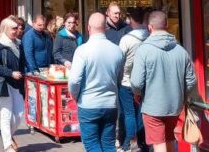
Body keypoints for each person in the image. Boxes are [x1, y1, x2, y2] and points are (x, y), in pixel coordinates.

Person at [130, 10, 196, 152]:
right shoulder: (181, 50)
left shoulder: (144, 50)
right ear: (167, 25)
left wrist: (137, 93)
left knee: (159, 144)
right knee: (170, 138)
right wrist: (182, 97)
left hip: (153, 106)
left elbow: (136, 82)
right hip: (175, 106)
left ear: (149, 27)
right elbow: (191, 81)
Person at [68, 13, 124, 152]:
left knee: (92, 145)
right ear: (105, 27)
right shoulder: (117, 51)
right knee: (108, 145)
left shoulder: (82, 51)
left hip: (88, 104)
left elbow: (75, 80)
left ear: (88, 28)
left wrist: (75, 95)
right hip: (110, 104)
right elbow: (119, 78)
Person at [0, 17, 26, 152]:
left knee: (20, 113)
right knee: (6, 114)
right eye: (14, 28)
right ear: (5, 29)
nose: (17, 31)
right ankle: (8, 145)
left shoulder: (18, 44)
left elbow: (22, 64)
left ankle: (9, 136)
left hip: (17, 84)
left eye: (18, 28)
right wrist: (10, 73)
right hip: (3, 84)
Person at [118, 9, 151, 152]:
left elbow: (119, 60)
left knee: (129, 113)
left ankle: (129, 143)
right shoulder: (149, 36)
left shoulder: (126, 39)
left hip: (126, 81)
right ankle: (143, 142)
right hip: (145, 81)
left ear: (131, 20)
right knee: (141, 113)